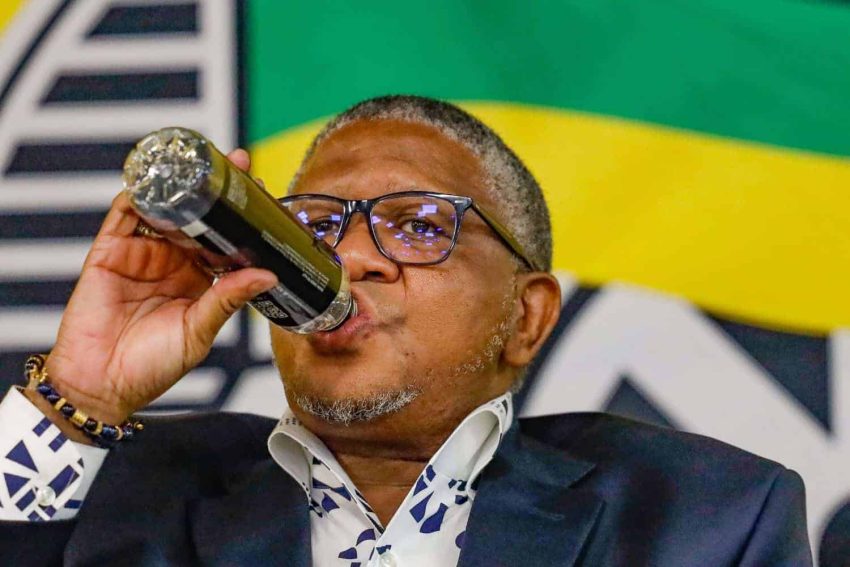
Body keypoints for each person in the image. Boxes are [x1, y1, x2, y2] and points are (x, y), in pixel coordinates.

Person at [0, 96, 812, 566]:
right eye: (315, 227)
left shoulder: (706, 518)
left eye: (419, 225)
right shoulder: (131, 489)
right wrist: (80, 391)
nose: (351, 257)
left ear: (526, 316)